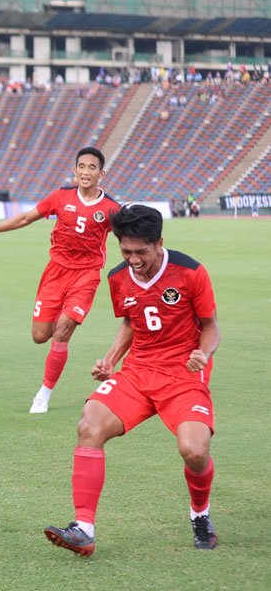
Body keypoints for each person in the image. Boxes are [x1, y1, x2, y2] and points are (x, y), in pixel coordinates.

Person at [44, 205, 221, 556]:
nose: (134, 260)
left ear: (159, 243)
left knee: (195, 451)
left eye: (141, 252)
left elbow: (212, 325)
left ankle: (200, 513)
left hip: (183, 373)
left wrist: (204, 352)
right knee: (90, 424)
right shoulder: (117, 277)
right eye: (126, 251)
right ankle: (83, 529)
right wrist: (110, 360)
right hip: (138, 371)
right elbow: (130, 321)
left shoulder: (191, 272)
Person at [0, 147, 122, 414]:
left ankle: (43, 394)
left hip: (86, 276)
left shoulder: (111, 209)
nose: (86, 172)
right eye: (82, 167)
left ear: (102, 174)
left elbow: (128, 239)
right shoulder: (60, 197)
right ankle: (64, 324)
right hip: (55, 273)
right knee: (40, 336)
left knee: (62, 331)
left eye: (92, 168)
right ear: (74, 171)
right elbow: (26, 218)